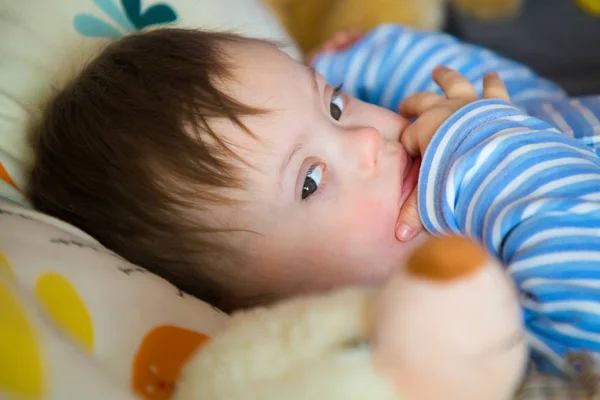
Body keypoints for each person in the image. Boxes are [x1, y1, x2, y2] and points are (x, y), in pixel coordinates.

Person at [28, 24, 600, 373]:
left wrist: (373, 56)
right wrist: (486, 145)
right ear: (272, 312)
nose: (366, 140)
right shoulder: (483, 333)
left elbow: (523, 104)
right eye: (309, 181)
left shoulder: (453, 158)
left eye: (334, 104)